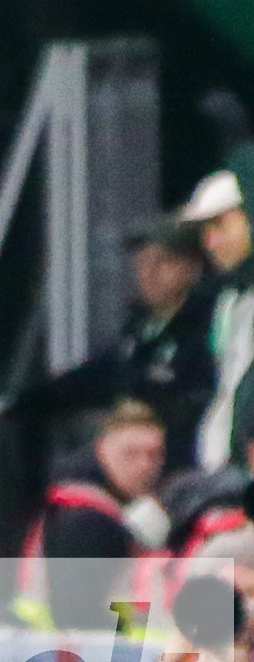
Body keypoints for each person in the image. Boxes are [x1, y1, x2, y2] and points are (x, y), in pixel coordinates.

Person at [19, 214, 211, 468]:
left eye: (162, 262)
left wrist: (145, 412)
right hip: (126, 460)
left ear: (193, 268)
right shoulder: (137, 331)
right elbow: (101, 374)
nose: (149, 273)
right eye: (142, 263)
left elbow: (201, 395)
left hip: (180, 461)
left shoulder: (206, 327)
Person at [21, 401, 167, 633]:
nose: (144, 466)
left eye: (155, 455)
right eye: (130, 453)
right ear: (101, 449)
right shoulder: (87, 518)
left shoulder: (70, 499)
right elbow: (80, 614)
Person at [187, 171, 254, 470]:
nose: (210, 242)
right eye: (205, 230)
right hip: (221, 463)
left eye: (220, 224)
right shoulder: (226, 300)